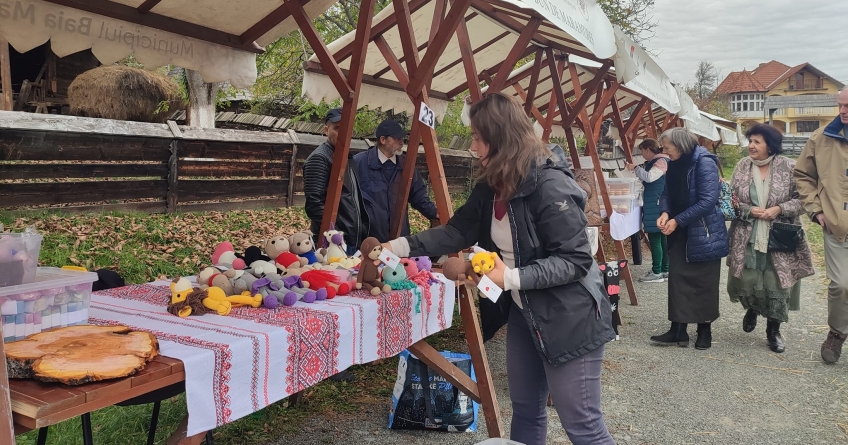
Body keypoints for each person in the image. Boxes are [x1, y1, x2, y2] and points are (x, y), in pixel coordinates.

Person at [382, 93, 615, 445]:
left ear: (501, 137)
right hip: (526, 312)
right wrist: (398, 247)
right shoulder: (493, 186)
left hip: (571, 319)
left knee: (582, 424)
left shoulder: (550, 186)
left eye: (477, 137)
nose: (473, 146)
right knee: (525, 410)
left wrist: (509, 278)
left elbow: (576, 260)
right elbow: (456, 231)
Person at [727, 124, 814, 353]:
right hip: (747, 233)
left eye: (757, 142)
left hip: (780, 235)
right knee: (749, 276)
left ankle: (773, 330)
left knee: (777, 282)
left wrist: (779, 209)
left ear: (770, 145)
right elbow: (731, 200)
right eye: (750, 141)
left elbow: (804, 199)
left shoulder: (789, 167)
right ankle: (753, 308)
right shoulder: (742, 166)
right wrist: (749, 210)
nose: (751, 146)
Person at [650, 127, 728, 350]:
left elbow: (707, 201)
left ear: (681, 145)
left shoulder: (704, 162)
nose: (664, 152)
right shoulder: (674, 162)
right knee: (678, 281)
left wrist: (677, 220)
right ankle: (678, 330)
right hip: (679, 229)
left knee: (704, 282)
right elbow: (666, 192)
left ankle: (705, 331)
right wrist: (665, 213)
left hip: (703, 231)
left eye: (667, 147)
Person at [794, 87, 848, 364]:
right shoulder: (822, 138)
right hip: (837, 226)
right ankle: (837, 333)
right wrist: (816, 211)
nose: (842, 111)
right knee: (841, 284)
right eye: (840, 105)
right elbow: (802, 175)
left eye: (847, 106)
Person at [353, 119, 439, 243]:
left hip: (399, 240)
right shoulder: (359, 163)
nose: (401, 142)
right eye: (397, 139)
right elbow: (348, 199)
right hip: (368, 239)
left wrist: (434, 212)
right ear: (383, 140)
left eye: (402, 139)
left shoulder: (407, 165)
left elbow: (418, 196)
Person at [303, 108, 368, 255]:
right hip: (335, 242)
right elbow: (314, 204)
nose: (344, 133)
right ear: (326, 130)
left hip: (352, 239)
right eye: (338, 128)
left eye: (348, 129)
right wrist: (335, 233)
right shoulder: (319, 158)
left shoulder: (348, 158)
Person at [626, 138, 670, 283]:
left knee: (655, 238)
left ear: (648, 149)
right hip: (657, 202)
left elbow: (650, 177)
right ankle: (665, 269)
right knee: (661, 238)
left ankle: (657, 272)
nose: (642, 155)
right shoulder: (660, 161)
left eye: (642, 151)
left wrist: (635, 168)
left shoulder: (661, 161)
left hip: (656, 203)